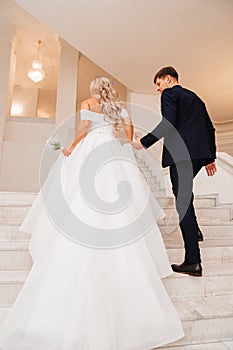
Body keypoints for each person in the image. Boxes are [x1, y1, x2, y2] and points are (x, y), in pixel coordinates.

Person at [0, 76, 184, 349]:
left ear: (93, 89)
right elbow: (129, 127)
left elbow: (84, 128)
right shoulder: (118, 105)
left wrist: (71, 148)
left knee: (78, 194)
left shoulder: (88, 103)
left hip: (90, 151)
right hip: (112, 150)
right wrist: (128, 141)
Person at [131, 66, 217, 277]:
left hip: (181, 155)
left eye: (158, 85)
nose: (159, 90)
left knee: (183, 202)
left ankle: (193, 261)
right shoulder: (195, 97)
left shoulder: (170, 94)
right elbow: (210, 128)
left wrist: (144, 142)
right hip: (198, 155)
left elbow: (167, 124)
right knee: (185, 194)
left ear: (168, 79)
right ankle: (194, 231)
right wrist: (209, 157)